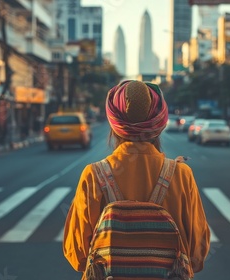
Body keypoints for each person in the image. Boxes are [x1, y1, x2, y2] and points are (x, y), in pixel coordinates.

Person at [63, 80, 210, 278]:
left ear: (114, 125)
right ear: (158, 125)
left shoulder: (93, 175)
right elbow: (196, 256)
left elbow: (78, 256)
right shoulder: (182, 175)